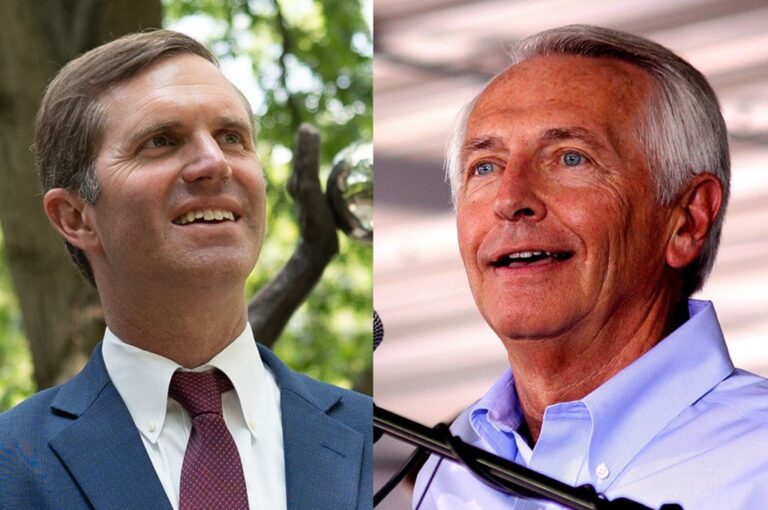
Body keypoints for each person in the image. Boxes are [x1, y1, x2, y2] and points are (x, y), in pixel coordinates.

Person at [0, 30, 371, 510]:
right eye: (161, 141)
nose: (214, 163)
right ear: (75, 217)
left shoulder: (378, 435)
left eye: (232, 137)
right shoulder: (11, 464)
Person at [413, 25, 768, 510]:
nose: (511, 199)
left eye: (570, 158)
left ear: (687, 221)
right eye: (486, 166)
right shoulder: (449, 466)